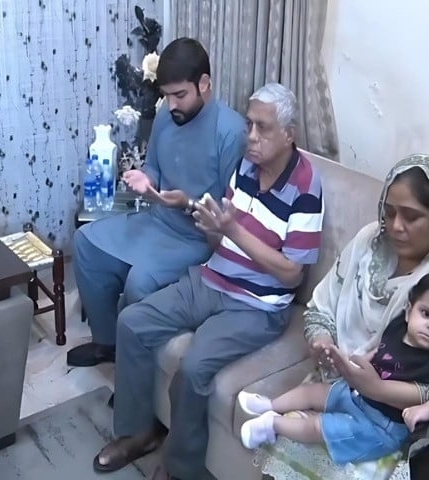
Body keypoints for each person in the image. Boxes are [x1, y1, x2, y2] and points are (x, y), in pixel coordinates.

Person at [93, 83, 324, 480]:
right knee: (132, 322)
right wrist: (213, 228)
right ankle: (137, 433)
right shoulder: (247, 166)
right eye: (249, 124)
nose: (250, 136)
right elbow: (225, 236)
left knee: (195, 366)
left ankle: (180, 468)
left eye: (262, 128)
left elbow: (292, 272)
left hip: (257, 305)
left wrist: (232, 230)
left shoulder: (306, 186)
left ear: (289, 134)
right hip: (212, 277)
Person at [256, 154, 429, 480]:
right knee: (286, 441)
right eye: (389, 212)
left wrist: (374, 387)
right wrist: (321, 340)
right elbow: (321, 306)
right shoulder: (367, 242)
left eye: (412, 217)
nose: (396, 226)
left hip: (396, 414)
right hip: (339, 381)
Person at [67, 37, 247, 367]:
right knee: (86, 243)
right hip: (157, 219)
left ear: (204, 84)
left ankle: (134, 371)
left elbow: (230, 214)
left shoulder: (231, 131)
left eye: (180, 95)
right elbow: (154, 164)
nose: (172, 104)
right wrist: (145, 178)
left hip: (197, 240)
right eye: (167, 95)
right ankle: (106, 343)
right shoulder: (167, 116)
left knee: (141, 281)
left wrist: (189, 203)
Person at [240, 272, 429, 465]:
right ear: (409, 311)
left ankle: (271, 425)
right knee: (313, 392)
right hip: (357, 395)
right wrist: (357, 363)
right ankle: (270, 405)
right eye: (426, 313)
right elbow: (381, 351)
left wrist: (426, 409)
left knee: (319, 427)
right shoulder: (399, 326)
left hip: (380, 426)